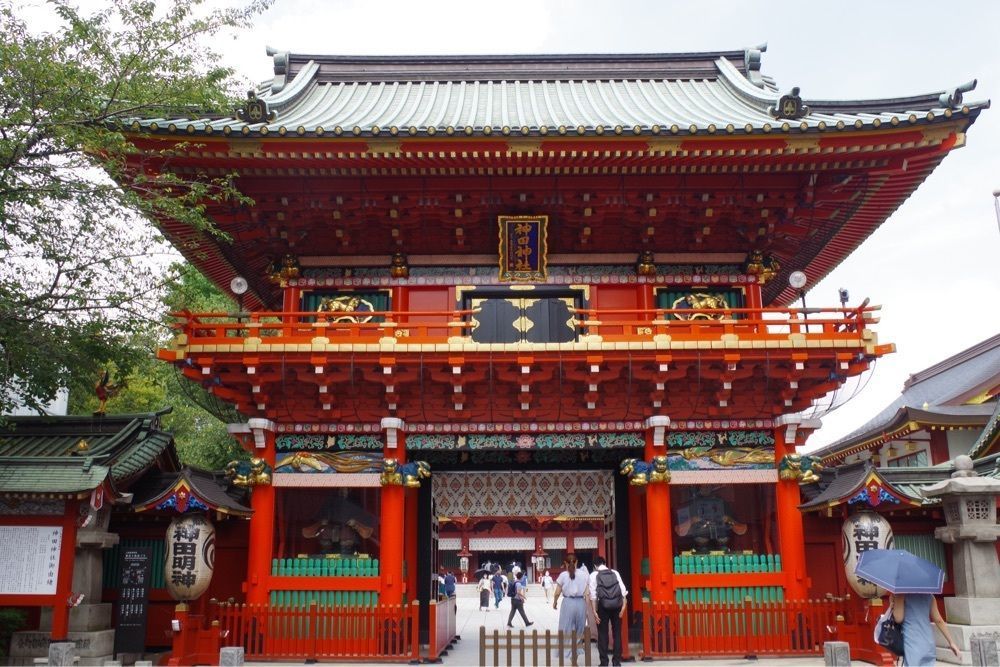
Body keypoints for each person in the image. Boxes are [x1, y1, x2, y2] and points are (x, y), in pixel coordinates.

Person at [892, 593, 960, 666]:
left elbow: (898, 618)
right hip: (928, 642)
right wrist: (951, 642)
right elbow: (938, 620)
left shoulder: (901, 595)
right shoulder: (930, 596)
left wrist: (893, 605)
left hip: (911, 641)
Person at [589, 556, 628, 667]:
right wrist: (623, 608)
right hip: (617, 606)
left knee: (602, 634)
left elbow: (593, 596)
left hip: (603, 606)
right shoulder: (615, 573)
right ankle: (616, 662)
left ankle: (604, 662)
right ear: (605, 563)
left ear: (595, 566)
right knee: (617, 633)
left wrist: (595, 611)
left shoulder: (593, 575)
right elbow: (623, 592)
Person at [552, 554, 590, 657]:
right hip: (580, 603)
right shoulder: (584, 575)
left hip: (568, 603)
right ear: (577, 562)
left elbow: (557, 592)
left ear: (565, 563)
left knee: (567, 628)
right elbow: (587, 593)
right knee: (579, 629)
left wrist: (555, 602)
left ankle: (567, 652)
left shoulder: (563, 575)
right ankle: (575, 653)